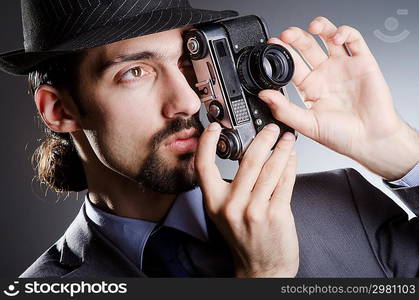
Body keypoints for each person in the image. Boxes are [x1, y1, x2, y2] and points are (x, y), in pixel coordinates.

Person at [1, 0, 418, 278]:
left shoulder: (342, 203)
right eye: (135, 72)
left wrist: (399, 149)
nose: (186, 100)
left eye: (188, 62)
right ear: (60, 110)